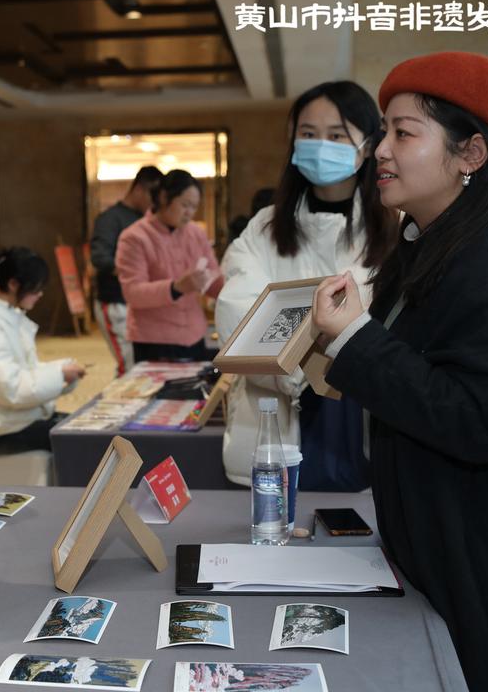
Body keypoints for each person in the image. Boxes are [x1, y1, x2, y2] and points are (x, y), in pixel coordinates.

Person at [311, 52, 488, 690]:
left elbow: (478, 420)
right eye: (382, 131)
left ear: (470, 154)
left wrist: (357, 340)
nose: (379, 150)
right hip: (454, 567)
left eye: (403, 133)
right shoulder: (434, 249)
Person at [215, 82, 398, 490]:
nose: (321, 146)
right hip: (277, 412)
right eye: (308, 134)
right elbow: (239, 316)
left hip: (367, 414)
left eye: (337, 135)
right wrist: (312, 360)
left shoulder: (395, 228)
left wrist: (306, 332)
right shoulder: (265, 226)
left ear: (368, 145)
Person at [0, 247, 85, 455]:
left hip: (12, 419)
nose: (40, 294)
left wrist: (62, 372)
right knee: (80, 441)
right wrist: (59, 374)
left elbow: (21, 372)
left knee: (82, 428)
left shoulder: (7, 318)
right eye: (35, 288)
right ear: (13, 284)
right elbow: (8, 389)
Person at [115, 169, 223, 362]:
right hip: (153, 339)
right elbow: (132, 292)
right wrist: (176, 287)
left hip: (194, 334)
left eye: (194, 207)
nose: (189, 213)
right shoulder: (134, 237)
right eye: (185, 205)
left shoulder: (196, 234)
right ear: (164, 197)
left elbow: (213, 279)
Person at [89, 165, 163, 374]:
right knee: (129, 364)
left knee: (140, 363)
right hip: (115, 302)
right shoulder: (110, 219)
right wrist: (135, 270)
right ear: (139, 189)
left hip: (141, 303)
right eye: (153, 196)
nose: (156, 203)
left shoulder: (148, 219)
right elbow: (100, 259)